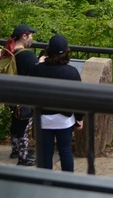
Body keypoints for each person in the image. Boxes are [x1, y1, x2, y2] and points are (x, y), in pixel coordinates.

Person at [30, 34, 84, 172]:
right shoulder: (72, 72)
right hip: (64, 118)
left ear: (48, 51)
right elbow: (78, 98)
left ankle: (46, 181)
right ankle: (66, 181)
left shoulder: (38, 69)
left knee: (46, 152)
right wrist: (79, 117)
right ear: (67, 51)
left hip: (43, 118)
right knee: (65, 150)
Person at [4, 24, 38, 166]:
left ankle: (16, 150)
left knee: (15, 123)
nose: (32, 38)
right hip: (25, 95)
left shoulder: (9, 52)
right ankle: (23, 157)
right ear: (24, 36)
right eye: (31, 35)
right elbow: (37, 74)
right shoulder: (27, 55)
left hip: (12, 94)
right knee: (24, 125)